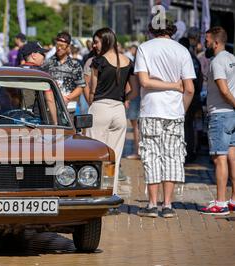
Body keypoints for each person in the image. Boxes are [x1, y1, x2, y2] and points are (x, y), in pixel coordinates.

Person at [134, 20, 196, 218]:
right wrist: (181, 107)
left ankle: (152, 205)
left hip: (151, 108)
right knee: (172, 157)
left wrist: (164, 84)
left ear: (151, 30)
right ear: (172, 30)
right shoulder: (182, 51)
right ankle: (167, 205)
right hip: (174, 111)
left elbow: (144, 82)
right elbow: (190, 89)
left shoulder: (144, 48)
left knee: (151, 156)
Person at [85, 28, 138, 195]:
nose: (94, 45)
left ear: (106, 41)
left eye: (96, 41)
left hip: (100, 108)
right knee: (114, 156)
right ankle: (111, 193)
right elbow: (135, 90)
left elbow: (92, 90)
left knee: (94, 154)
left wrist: (92, 104)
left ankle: (94, 192)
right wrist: (124, 99)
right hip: (118, 110)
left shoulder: (98, 61)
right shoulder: (128, 61)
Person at [200, 27, 235, 215]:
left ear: (216, 42)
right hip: (231, 115)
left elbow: (223, 90)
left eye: (207, 40)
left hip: (220, 114)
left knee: (219, 158)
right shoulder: (232, 59)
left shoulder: (217, 61)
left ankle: (220, 203)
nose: (204, 43)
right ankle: (233, 200)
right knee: (232, 157)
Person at [44, 31, 86, 115]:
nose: (59, 48)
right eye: (57, 45)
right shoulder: (47, 63)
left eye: (62, 46)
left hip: (70, 109)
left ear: (68, 47)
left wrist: (67, 98)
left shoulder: (75, 65)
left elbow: (81, 86)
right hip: (50, 109)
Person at [179, 37, 203, 163]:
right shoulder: (194, 59)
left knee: (186, 126)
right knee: (190, 125)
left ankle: (187, 153)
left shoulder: (185, 59)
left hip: (188, 96)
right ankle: (191, 151)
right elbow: (199, 80)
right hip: (196, 97)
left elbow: (189, 85)